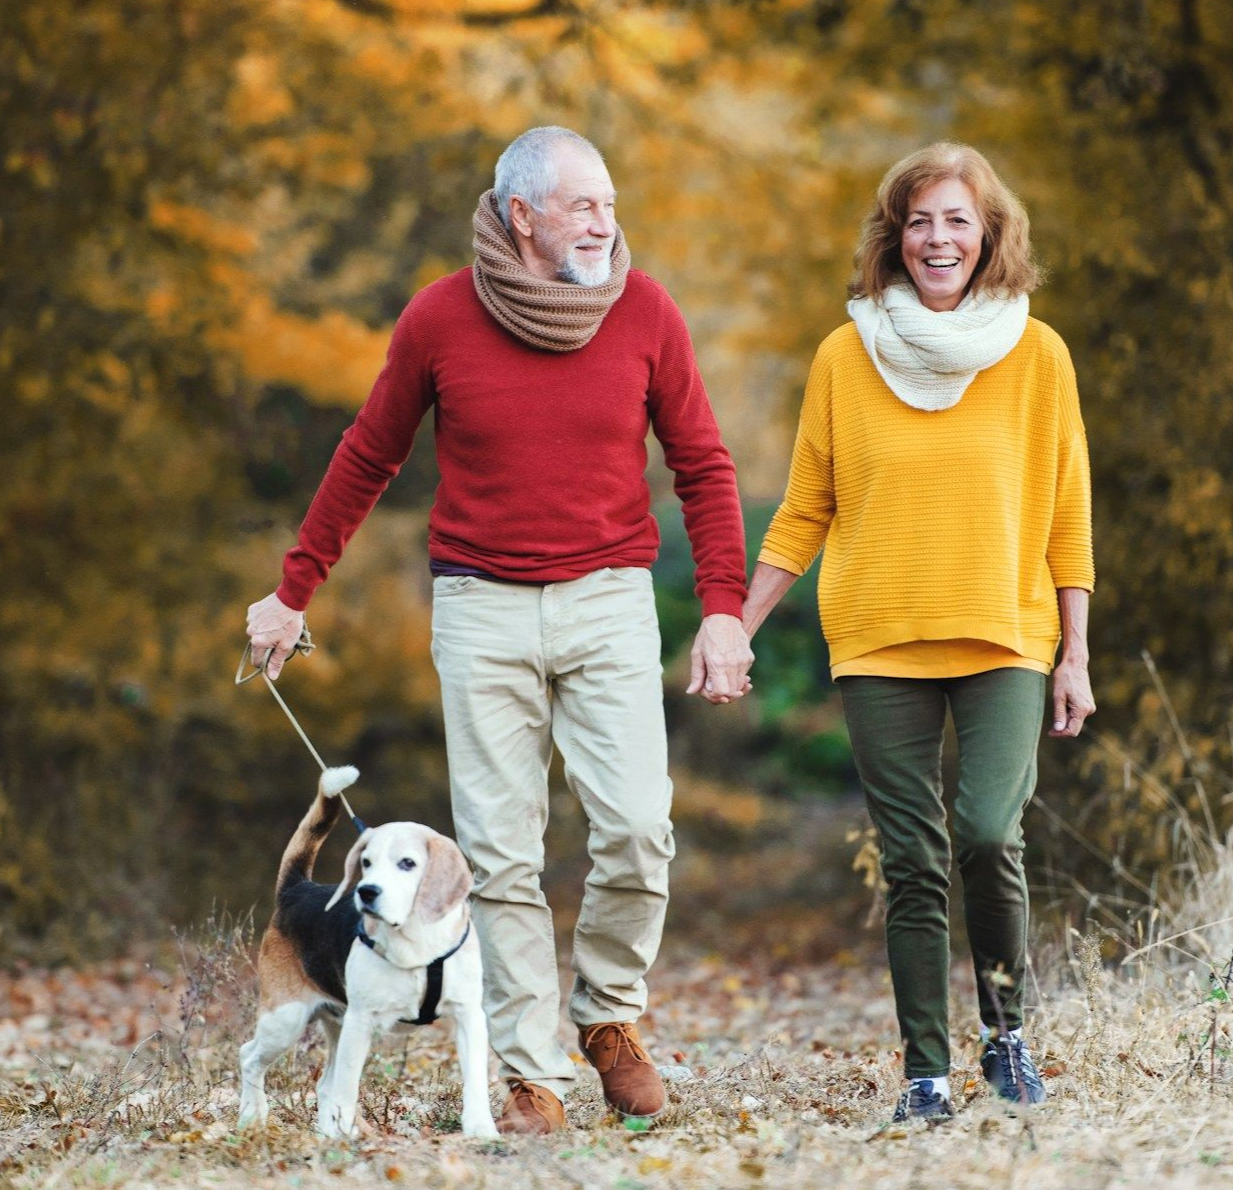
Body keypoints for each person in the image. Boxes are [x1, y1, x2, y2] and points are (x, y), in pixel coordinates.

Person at [245, 126, 753, 1135]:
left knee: (638, 827)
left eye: (610, 203)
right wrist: (293, 587)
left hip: (610, 597)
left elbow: (703, 463)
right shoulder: (441, 317)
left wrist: (725, 610)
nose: (608, 224)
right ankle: (529, 1077)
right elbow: (368, 453)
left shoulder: (644, 310)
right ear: (522, 216)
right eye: (584, 207)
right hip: (480, 606)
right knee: (500, 852)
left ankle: (611, 1020)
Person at [742, 142, 1095, 1124]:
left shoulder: (1039, 354)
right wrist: (736, 622)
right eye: (920, 219)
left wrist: (1074, 653)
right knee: (913, 861)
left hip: (1005, 637)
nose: (938, 238)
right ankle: (927, 1075)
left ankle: (1007, 1031)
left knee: (988, 830)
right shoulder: (844, 356)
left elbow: (1068, 515)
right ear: (894, 235)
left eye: (957, 219)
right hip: (879, 641)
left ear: (990, 234)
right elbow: (806, 508)